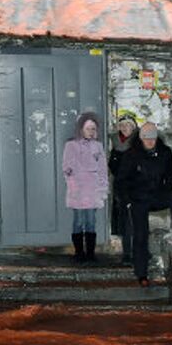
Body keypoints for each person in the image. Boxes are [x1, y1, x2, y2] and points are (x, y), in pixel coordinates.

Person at [117, 122, 172, 287]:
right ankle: (142, 274)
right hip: (138, 199)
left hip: (157, 194)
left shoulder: (164, 152)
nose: (150, 142)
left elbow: (171, 173)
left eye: (153, 138)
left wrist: (165, 189)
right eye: (147, 139)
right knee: (140, 235)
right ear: (141, 139)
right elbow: (121, 181)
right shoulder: (131, 155)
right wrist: (128, 201)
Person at [62, 112, 108, 263]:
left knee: (91, 221)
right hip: (78, 190)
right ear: (81, 129)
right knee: (78, 221)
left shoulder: (98, 146)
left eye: (93, 129)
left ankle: (90, 253)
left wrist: (102, 188)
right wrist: (73, 186)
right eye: (88, 128)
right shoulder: (71, 145)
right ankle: (79, 253)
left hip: (93, 190)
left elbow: (102, 169)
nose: (91, 132)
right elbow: (67, 168)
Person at [108, 114, 138, 266]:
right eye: (123, 125)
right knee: (125, 220)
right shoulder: (114, 142)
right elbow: (112, 165)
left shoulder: (139, 143)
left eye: (129, 126)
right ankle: (127, 253)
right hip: (120, 187)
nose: (126, 128)